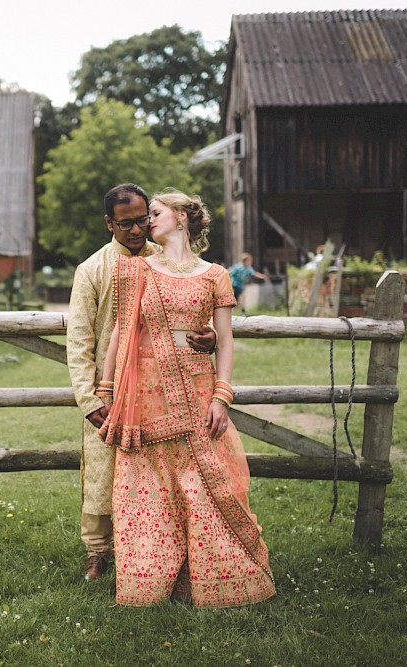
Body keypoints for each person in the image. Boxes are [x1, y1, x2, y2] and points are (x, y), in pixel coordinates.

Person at [99, 189, 275, 607]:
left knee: (203, 487)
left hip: (198, 391)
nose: (146, 223)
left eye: (154, 214)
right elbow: (122, 334)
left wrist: (222, 396)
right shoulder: (135, 269)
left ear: (181, 217)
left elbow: (226, 341)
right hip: (146, 395)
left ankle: (211, 580)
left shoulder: (214, 274)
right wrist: (106, 390)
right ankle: (150, 582)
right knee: (152, 488)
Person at [66, 183, 217, 582]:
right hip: (107, 390)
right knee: (102, 471)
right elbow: (79, 339)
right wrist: (89, 398)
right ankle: (98, 553)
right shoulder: (93, 269)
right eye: (125, 223)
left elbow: (196, 308)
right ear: (108, 223)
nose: (136, 230)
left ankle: (155, 549)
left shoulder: (166, 259)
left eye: (142, 220)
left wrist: (210, 338)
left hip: (157, 388)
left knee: (154, 473)